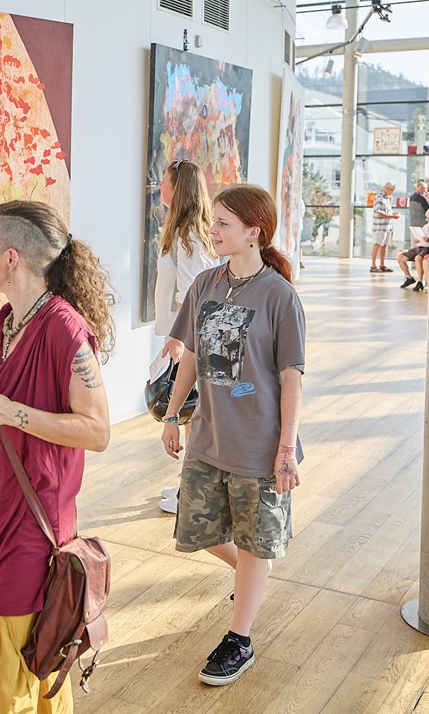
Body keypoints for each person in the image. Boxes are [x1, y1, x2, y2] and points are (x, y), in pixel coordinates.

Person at [0, 200, 115, 713]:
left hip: (34, 521)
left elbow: (97, 430)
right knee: (39, 658)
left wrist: (8, 411)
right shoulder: (3, 324)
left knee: (2, 676)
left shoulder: (64, 329)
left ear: (12, 257)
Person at [159, 184, 305, 687]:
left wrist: (286, 450)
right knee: (197, 528)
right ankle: (251, 573)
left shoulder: (280, 296)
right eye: (214, 221)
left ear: (253, 232)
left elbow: (291, 377)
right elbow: (192, 356)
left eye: (223, 223)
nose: (213, 230)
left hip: (260, 444)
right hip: (209, 435)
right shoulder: (206, 283)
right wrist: (172, 414)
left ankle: (239, 639)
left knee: (254, 539)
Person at [153, 159, 218, 514]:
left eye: (164, 182)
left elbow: (191, 292)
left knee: (190, 414)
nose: (160, 187)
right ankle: (188, 485)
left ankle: (192, 494)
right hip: (189, 332)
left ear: (178, 189)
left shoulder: (188, 233)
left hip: (191, 335)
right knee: (192, 415)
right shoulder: (186, 229)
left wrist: (180, 340)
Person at [397, 207, 429, 290]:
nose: (428, 221)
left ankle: (420, 281)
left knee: (418, 258)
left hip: (427, 248)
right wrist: (417, 239)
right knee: (400, 257)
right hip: (420, 247)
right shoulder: (426, 227)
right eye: (427, 219)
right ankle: (409, 277)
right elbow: (421, 237)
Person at [370, 182, 399, 273]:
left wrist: (392, 214)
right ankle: (373, 266)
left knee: (384, 246)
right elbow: (379, 213)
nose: (392, 192)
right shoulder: (380, 197)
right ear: (386, 188)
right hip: (380, 227)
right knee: (377, 244)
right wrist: (392, 216)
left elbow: (385, 212)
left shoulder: (387, 198)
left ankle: (382, 265)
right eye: (391, 190)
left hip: (386, 227)